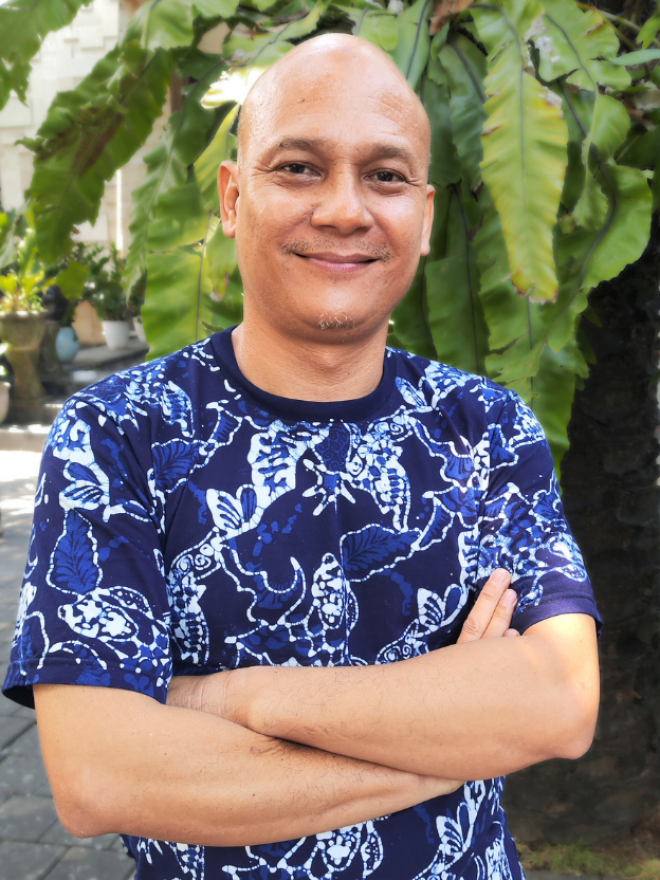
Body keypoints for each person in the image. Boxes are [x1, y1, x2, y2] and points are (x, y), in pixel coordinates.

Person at [3, 33, 600, 880]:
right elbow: (102, 773)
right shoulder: (121, 433)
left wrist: (230, 696)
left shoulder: (488, 428)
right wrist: (460, 726)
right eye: (298, 168)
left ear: (424, 217)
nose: (346, 209)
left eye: (385, 175)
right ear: (232, 196)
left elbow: (560, 706)